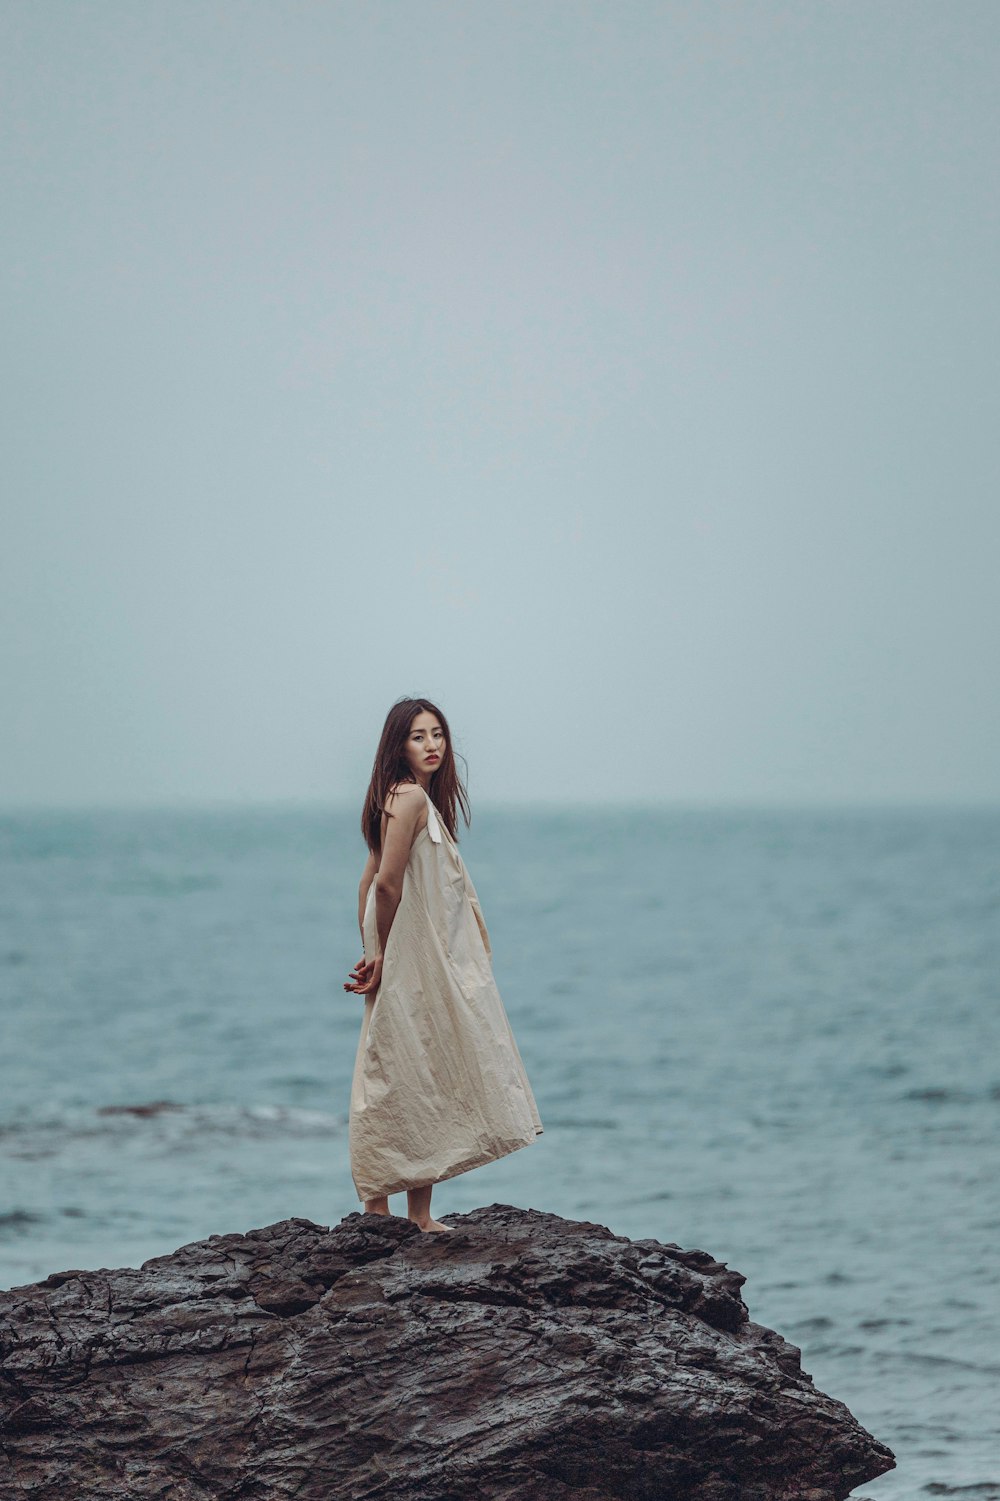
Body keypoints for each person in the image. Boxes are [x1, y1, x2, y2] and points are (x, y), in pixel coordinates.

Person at [344, 696, 542, 1231]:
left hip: (412, 945)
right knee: (401, 1063)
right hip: (408, 947)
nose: (431, 745)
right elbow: (383, 882)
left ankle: (415, 1214)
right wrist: (381, 952)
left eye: (438, 734)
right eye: (418, 736)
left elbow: (368, 880)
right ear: (397, 745)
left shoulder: (402, 798)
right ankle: (382, 1208)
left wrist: (369, 945)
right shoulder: (406, 799)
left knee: (419, 1064)